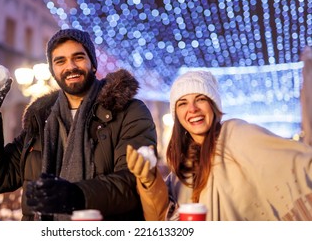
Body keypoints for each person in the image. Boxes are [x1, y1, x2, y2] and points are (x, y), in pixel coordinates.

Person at [0, 28, 157, 221]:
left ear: (92, 64)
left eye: (78, 57)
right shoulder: (41, 121)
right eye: (60, 61)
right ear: (53, 71)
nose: (71, 67)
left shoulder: (128, 112)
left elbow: (135, 180)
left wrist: (77, 195)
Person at [127, 70, 312, 221]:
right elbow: (163, 221)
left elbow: (301, 163)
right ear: (177, 115)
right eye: (183, 103)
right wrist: (150, 181)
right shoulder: (181, 170)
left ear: (213, 105)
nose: (192, 109)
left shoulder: (236, 134)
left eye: (200, 99)